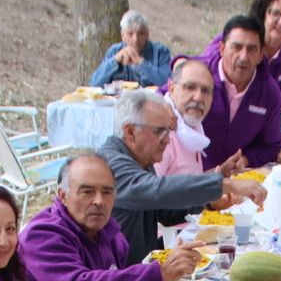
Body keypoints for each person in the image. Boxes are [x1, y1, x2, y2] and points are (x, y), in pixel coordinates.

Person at [14, 152, 200, 281]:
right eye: (87, 192)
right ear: (63, 196)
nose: (99, 201)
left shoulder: (110, 232)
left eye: (107, 192)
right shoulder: (41, 234)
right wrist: (160, 272)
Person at [97, 90, 266, 264]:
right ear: (130, 132)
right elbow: (156, 190)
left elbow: (164, 211)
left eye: (169, 131)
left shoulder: (140, 158)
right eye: (160, 131)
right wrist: (226, 185)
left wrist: (209, 202)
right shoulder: (109, 164)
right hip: (118, 276)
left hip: (143, 270)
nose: (167, 140)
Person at [201, 0, 281, 162]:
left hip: (258, 142)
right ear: (263, 14)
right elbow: (199, 68)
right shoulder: (234, 39)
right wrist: (179, 61)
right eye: (275, 13)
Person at [198, 14, 281, 170]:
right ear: (222, 49)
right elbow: (164, 101)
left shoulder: (270, 94)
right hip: (191, 177)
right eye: (237, 47)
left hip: (235, 178)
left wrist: (246, 159)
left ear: (261, 55)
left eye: (251, 50)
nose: (243, 57)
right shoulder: (198, 75)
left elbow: (270, 145)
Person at [156, 58, 220, 175]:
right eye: (190, 87)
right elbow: (147, 186)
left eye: (206, 90)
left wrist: (219, 175)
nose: (198, 97)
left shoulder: (192, 128)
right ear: (171, 89)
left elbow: (187, 180)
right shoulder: (161, 132)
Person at [89, 9, 174, 88]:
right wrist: (115, 60)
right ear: (122, 35)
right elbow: (94, 84)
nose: (135, 39)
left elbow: (169, 83)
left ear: (147, 35)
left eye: (141, 33)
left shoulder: (160, 52)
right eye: (130, 34)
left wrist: (141, 62)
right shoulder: (114, 51)